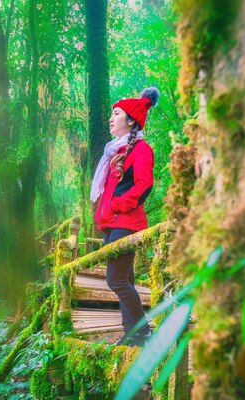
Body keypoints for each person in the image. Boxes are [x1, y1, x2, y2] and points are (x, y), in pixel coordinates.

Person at [90, 87, 159, 347]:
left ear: (131, 120)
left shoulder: (141, 149)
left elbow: (144, 185)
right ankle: (132, 334)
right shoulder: (115, 151)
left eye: (116, 113)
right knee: (126, 279)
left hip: (127, 222)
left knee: (115, 280)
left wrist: (118, 205)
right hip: (113, 222)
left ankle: (142, 330)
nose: (111, 118)